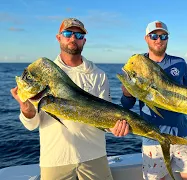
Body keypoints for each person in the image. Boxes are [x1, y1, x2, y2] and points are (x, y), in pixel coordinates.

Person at [10, 17, 129, 180]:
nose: (73, 38)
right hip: (55, 159)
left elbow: (105, 117)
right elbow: (31, 125)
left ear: (84, 41)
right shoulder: (41, 76)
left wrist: (115, 127)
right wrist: (26, 109)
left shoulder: (98, 74)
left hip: (94, 156)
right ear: (59, 37)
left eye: (79, 36)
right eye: (68, 33)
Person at [120, 20, 187, 180]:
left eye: (163, 36)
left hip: (182, 133)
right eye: (154, 36)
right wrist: (127, 94)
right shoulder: (136, 64)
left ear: (168, 39)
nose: (159, 40)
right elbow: (127, 104)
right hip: (152, 136)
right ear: (146, 38)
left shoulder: (179, 63)